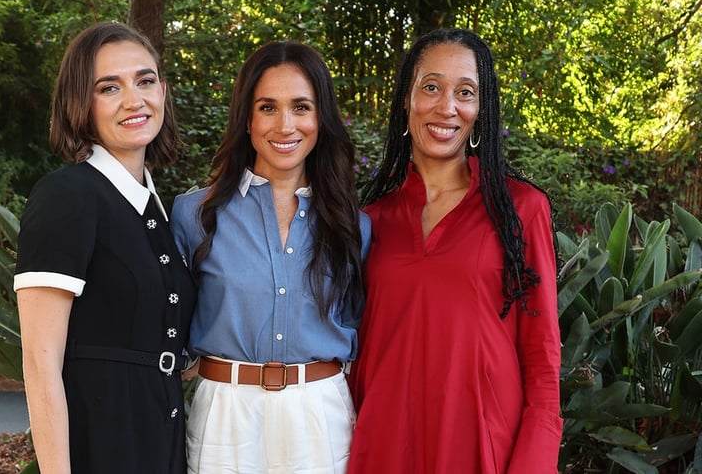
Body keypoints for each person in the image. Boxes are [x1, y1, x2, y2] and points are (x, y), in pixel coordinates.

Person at [347, 28, 562, 474]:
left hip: (485, 450)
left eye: (465, 92)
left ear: (480, 109)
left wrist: (534, 465)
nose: (447, 107)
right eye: (431, 87)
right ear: (407, 98)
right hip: (384, 446)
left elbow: (542, 358)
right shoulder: (370, 220)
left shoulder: (520, 209)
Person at [170, 41, 372, 473]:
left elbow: (358, 321)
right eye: (267, 107)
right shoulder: (193, 215)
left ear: (321, 118)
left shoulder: (353, 226)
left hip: (319, 416)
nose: (285, 125)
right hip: (226, 415)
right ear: (246, 118)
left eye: (301, 107)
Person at [13, 22, 195, 473]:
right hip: (103, 445)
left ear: (163, 91)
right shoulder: (67, 196)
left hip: (162, 439)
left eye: (145, 80)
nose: (135, 100)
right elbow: (39, 365)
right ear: (82, 103)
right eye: (109, 87)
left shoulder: (157, 208)